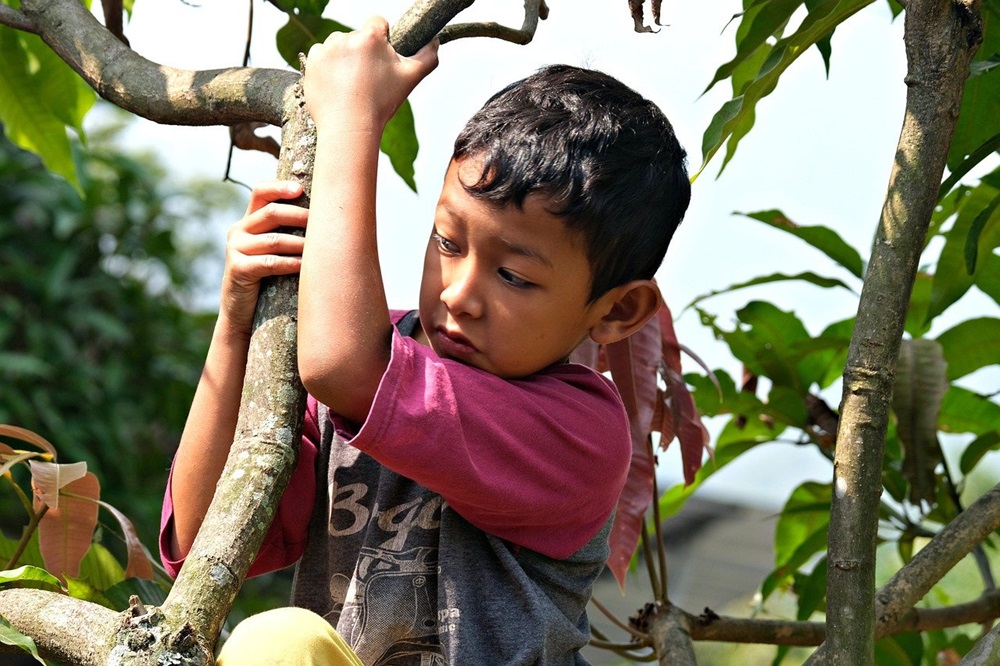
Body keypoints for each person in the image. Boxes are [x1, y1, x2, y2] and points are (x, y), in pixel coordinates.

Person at [159, 15, 691, 665]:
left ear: (618, 310)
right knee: (279, 640)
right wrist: (237, 322)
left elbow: (341, 366)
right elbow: (202, 544)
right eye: (448, 241)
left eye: (515, 275)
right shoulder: (377, 349)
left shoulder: (582, 433)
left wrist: (354, 116)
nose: (460, 293)